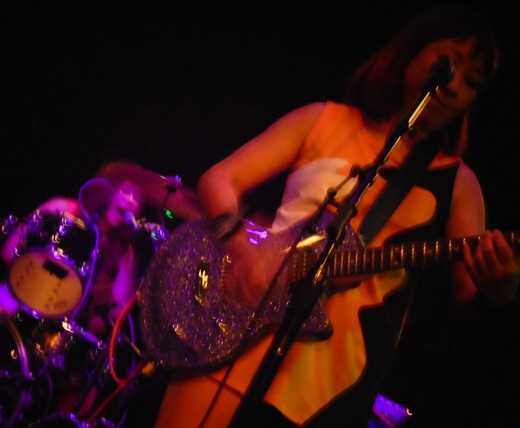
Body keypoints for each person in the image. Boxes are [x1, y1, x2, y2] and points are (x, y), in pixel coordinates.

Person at [154, 5, 519, 428]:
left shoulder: (458, 184)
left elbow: (469, 298)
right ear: (414, 50)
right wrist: (240, 248)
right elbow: (219, 180)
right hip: (235, 342)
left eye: (471, 82)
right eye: (449, 63)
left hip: (330, 387)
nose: (453, 86)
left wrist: (502, 287)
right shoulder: (322, 120)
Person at [0, 160, 202, 425]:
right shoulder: (64, 211)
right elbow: (9, 252)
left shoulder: (125, 252)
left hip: (64, 329)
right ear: (108, 195)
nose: (130, 203)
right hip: (21, 300)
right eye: (125, 194)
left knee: (89, 383)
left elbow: (116, 313)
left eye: (136, 201)